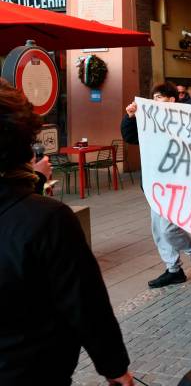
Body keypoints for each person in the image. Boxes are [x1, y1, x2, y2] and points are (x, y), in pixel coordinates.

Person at [0, 79, 133, 385]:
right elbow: (86, 303)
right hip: (30, 371)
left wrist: (31, 181)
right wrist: (115, 368)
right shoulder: (48, 220)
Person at [122, 82, 191, 288]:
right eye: (153, 98)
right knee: (159, 231)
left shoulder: (187, 119)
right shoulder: (148, 121)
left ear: (171, 100)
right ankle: (173, 269)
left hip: (178, 186)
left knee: (168, 229)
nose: (155, 102)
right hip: (156, 185)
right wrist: (130, 117)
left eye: (159, 98)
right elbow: (130, 137)